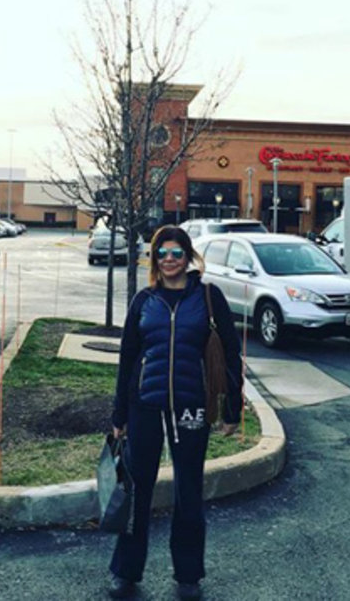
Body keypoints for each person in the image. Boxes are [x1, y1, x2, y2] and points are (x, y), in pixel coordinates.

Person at [107, 225, 243, 600]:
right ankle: (126, 570)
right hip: (145, 405)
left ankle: (188, 574)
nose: (169, 259)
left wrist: (232, 407)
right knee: (137, 488)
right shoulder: (144, 300)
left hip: (191, 406)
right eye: (162, 253)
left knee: (188, 489)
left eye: (176, 253)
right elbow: (127, 358)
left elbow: (231, 353)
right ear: (155, 259)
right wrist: (119, 415)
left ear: (188, 257)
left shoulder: (208, 297)